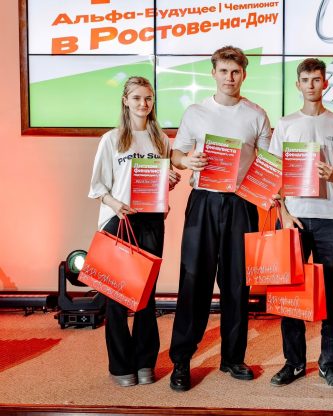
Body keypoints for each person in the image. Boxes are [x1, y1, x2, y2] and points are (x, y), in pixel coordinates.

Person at [168, 45, 272, 391]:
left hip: (242, 204)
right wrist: (187, 162)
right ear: (213, 73)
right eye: (224, 71)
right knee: (193, 280)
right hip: (204, 201)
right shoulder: (196, 112)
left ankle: (232, 358)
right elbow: (177, 154)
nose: (230, 77)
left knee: (237, 283)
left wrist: (271, 190)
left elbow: (267, 163)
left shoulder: (256, 115)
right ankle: (181, 360)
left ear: (244, 75)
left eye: (236, 72)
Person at [268, 58, 333, 389]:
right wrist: (284, 212)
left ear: (325, 83)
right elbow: (274, 172)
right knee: (289, 292)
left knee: (332, 292)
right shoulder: (286, 124)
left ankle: (329, 364)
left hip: (330, 218)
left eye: (316, 79)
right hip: (293, 217)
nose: (311, 85)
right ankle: (293, 363)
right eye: (305, 80)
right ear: (298, 84)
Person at [88, 76, 181, 387]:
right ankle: (120, 366)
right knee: (116, 297)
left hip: (152, 222)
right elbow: (98, 187)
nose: (144, 103)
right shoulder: (112, 139)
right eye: (137, 98)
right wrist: (116, 204)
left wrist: (169, 182)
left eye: (148, 98)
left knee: (146, 296)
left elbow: (161, 182)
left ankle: (144, 363)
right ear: (125, 101)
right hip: (119, 221)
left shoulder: (161, 140)